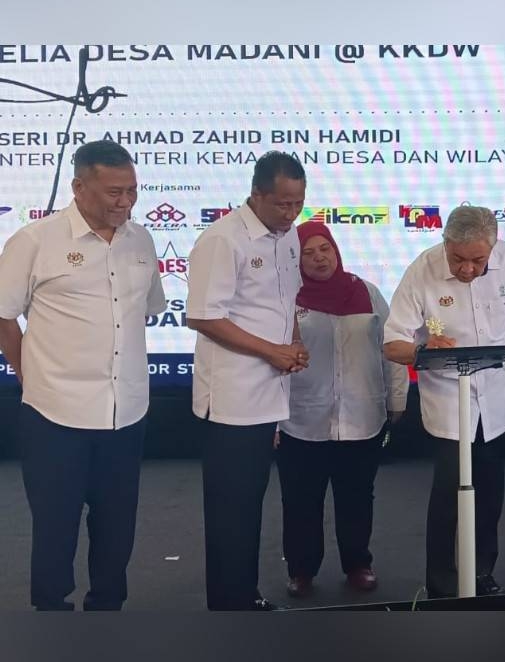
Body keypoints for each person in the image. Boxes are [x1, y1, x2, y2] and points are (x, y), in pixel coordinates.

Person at [0, 140, 166, 610]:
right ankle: (52, 616)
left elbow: (148, 309)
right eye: (114, 192)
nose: (125, 202)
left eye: (132, 191)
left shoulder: (142, 240)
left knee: (117, 523)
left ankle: (106, 611)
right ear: (78, 187)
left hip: (127, 410)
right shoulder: (35, 240)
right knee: (56, 525)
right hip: (55, 411)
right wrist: (26, 371)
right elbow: (4, 314)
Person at [384, 205, 505, 599]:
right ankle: (441, 583)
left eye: (477, 260)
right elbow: (391, 343)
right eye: (458, 259)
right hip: (450, 402)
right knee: (448, 497)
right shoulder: (422, 270)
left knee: (490, 495)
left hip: (499, 403)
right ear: (444, 242)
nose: (468, 269)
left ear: (494, 246)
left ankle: (483, 573)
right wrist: (421, 349)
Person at [186, 151, 309, 610]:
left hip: (272, 391)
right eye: (281, 203)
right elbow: (203, 317)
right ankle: (228, 606)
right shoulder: (223, 240)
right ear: (255, 194)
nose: (291, 213)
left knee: (251, 505)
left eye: (298, 203)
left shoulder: (290, 235)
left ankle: (243, 595)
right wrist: (272, 351)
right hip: (234, 397)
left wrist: (293, 344)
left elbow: (284, 301)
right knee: (230, 511)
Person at [276, 221, 409, 598]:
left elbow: (393, 348)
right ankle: (301, 570)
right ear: (296, 260)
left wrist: (397, 398)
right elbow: (271, 360)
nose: (319, 258)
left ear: (336, 250)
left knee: (356, 497)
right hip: (301, 420)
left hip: (361, 418)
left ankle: (358, 564)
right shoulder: (287, 299)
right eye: (308, 252)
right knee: (301, 501)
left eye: (325, 250)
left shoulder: (366, 293)